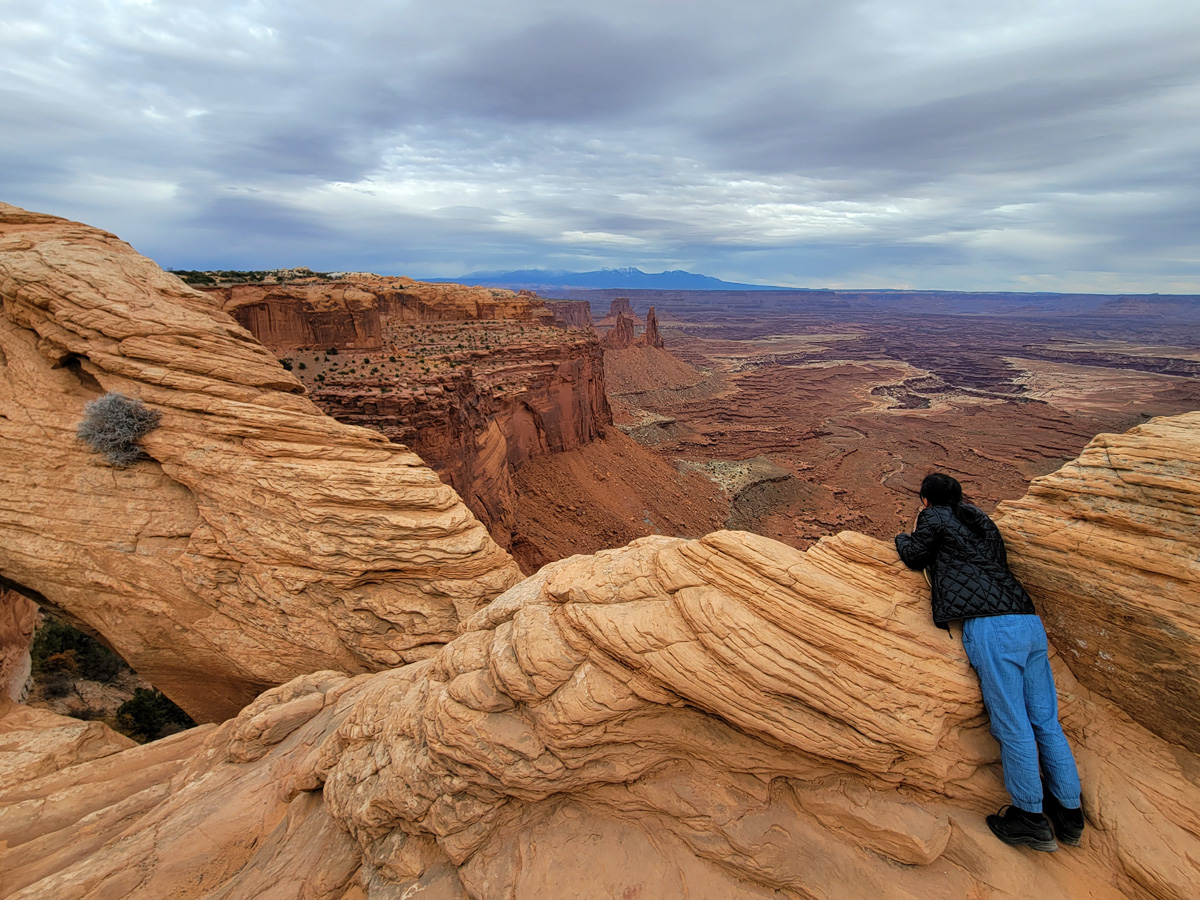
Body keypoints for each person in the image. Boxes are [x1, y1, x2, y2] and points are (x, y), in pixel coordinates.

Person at [895, 472, 1085, 852]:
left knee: (1013, 724)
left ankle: (1030, 818)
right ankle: (1070, 814)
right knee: (1046, 722)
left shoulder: (932, 516)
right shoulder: (980, 518)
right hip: (1027, 621)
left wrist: (902, 537)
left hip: (992, 627)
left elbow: (916, 556)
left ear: (926, 500)